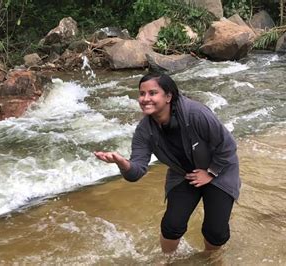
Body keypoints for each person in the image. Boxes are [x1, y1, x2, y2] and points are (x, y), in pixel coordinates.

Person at [94, 73, 240, 254]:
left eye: (152, 93)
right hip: (184, 174)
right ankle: (167, 260)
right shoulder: (144, 130)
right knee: (172, 225)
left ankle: (210, 258)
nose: (145, 99)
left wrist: (210, 172)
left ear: (168, 96)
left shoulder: (196, 113)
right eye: (142, 94)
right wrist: (123, 163)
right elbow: (136, 172)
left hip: (220, 170)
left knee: (215, 232)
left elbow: (227, 146)